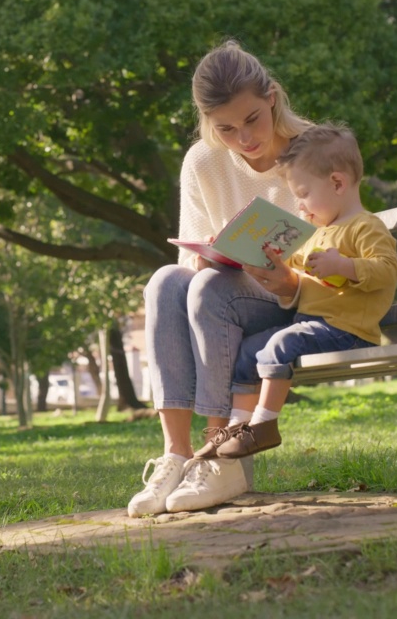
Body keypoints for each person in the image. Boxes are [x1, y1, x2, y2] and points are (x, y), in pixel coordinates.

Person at [127, 40, 312, 517]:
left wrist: (282, 276)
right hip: (220, 303)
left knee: (207, 289)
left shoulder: (314, 151)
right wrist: (212, 258)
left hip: (292, 299)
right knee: (166, 281)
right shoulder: (203, 161)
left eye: (252, 119)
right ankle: (177, 455)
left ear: (271, 97)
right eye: (225, 128)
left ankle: (219, 453)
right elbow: (192, 267)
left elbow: (342, 247)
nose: (244, 138)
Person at [212, 122, 397, 459]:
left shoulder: (365, 227)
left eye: (303, 194)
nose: (299, 206)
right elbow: (289, 265)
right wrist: (243, 250)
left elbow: (386, 270)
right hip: (313, 326)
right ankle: (236, 428)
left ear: (338, 182)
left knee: (280, 343)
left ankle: (264, 426)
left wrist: (344, 266)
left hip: (348, 330)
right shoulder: (316, 233)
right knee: (249, 351)